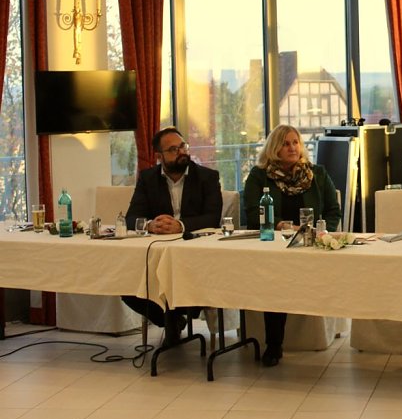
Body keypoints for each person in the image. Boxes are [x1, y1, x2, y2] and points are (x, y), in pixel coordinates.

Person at [244, 124, 341, 367]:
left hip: (312, 245)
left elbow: (332, 210)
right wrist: (278, 225)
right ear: (275, 148)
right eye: (286, 143)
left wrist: (322, 230)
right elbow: (253, 211)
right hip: (273, 246)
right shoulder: (259, 175)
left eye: (295, 142)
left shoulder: (316, 174)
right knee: (275, 278)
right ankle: (274, 345)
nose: (292, 148)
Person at [123, 127, 223, 345]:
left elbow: (213, 217)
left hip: (194, 254)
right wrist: (150, 225)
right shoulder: (148, 178)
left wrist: (180, 225)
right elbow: (131, 218)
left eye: (182, 146)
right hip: (157, 253)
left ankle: (177, 317)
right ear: (159, 157)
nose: (181, 152)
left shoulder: (207, 177)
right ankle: (172, 320)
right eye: (173, 149)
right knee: (126, 284)